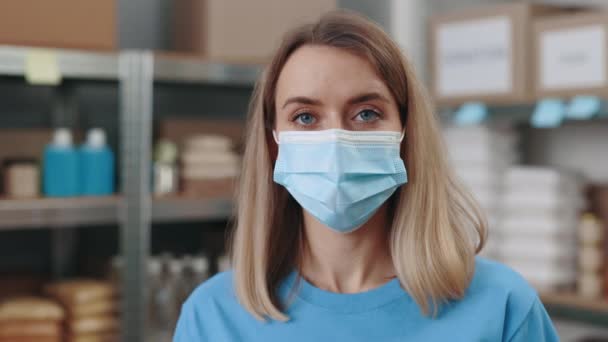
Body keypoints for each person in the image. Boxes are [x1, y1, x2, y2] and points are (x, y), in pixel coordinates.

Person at [174, 11, 559, 342]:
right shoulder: (213, 317)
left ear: (406, 131)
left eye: (366, 113)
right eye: (305, 117)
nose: (337, 139)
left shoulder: (502, 307)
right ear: (275, 143)